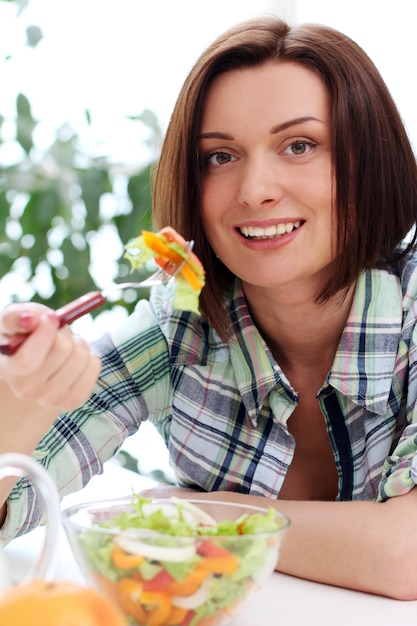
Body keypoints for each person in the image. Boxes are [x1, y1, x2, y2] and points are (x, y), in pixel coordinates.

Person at [1, 15, 417, 600]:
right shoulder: (179, 327)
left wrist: (194, 509)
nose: (254, 190)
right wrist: (18, 393)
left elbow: (406, 555)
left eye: (299, 145)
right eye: (220, 157)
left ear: (368, 163)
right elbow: (11, 507)